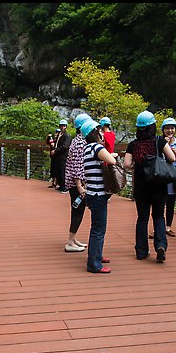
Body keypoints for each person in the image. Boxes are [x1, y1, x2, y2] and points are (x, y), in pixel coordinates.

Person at [123, 111, 176, 263]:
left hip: (141, 186)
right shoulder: (159, 141)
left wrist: (137, 166)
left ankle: (141, 251)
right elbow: (171, 158)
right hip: (158, 185)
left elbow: (127, 164)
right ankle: (160, 246)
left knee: (142, 218)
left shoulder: (133, 144)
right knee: (159, 216)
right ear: (153, 126)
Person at [80, 119, 118, 273]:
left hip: (91, 193)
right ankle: (94, 264)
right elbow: (111, 160)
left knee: (96, 227)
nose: (102, 132)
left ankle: (97, 255)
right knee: (98, 229)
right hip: (98, 194)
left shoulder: (87, 148)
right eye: (100, 130)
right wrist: (112, 154)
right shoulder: (96, 147)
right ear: (95, 132)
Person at [63, 113, 92, 252]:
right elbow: (78, 165)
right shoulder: (81, 142)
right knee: (77, 211)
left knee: (77, 210)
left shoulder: (78, 140)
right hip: (77, 183)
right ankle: (70, 241)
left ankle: (73, 239)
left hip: (74, 181)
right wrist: (80, 186)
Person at [161, 118, 176, 237]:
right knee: (159, 202)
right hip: (160, 175)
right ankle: (158, 227)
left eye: (172, 128)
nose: (170, 130)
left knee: (170, 202)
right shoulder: (159, 141)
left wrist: (175, 153)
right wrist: (163, 145)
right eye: (167, 128)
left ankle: (168, 227)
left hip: (172, 176)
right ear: (163, 130)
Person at [51, 120, 71, 193]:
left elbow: (65, 146)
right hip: (58, 156)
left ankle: (65, 187)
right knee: (58, 170)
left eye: (63, 126)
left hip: (63, 156)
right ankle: (61, 185)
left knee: (63, 171)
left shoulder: (67, 135)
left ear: (66, 127)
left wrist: (55, 151)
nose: (62, 127)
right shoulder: (59, 134)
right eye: (61, 126)